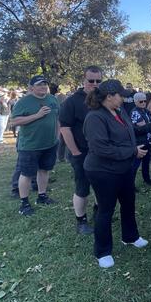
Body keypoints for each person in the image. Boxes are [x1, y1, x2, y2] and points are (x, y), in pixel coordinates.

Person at [83, 79, 149, 268]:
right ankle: (102, 251)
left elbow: (130, 133)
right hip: (102, 171)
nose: (124, 99)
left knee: (129, 203)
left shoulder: (119, 111)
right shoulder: (95, 117)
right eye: (121, 95)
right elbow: (101, 148)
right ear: (109, 96)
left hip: (124, 168)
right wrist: (133, 151)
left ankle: (130, 236)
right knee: (106, 210)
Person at [59, 66, 102, 234]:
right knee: (82, 188)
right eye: (91, 80)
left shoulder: (102, 99)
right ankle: (81, 221)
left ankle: (99, 213)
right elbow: (65, 129)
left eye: (98, 81)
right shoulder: (72, 101)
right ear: (83, 80)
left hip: (100, 153)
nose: (94, 84)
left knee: (101, 185)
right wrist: (75, 152)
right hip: (81, 153)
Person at [10, 75, 60, 216]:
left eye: (45, 84)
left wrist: (57, 136)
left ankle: (42, 196)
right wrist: (37, 116)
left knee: (44, 170)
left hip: (50, 143)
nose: (43, 86)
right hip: (30, 146)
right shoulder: (23, 102)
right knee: (26, 174)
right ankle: (24, 203)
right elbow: (14, 122)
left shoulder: (52, 99)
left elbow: (57, 117)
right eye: (39, 84)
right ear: (31, 88)